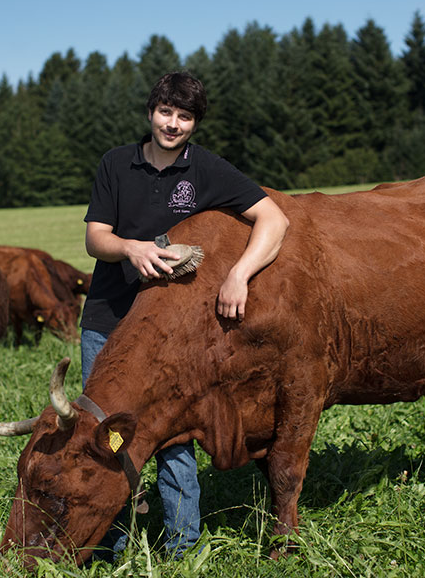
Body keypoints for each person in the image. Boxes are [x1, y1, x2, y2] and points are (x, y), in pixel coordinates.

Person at [80, 71, 289, 558]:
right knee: (103, 437)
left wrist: (239, 274)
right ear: (151, 112)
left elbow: (274, 218)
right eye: (166, 112)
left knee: (173, 436)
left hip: (172, 335)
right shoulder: (116, 164)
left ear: (195, 123)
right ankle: (109, 542)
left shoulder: (207, 171)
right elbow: (95, 237)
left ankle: (181, 548)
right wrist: (129, 249)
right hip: (108, 321)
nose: (173, 124)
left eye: (185, 117)